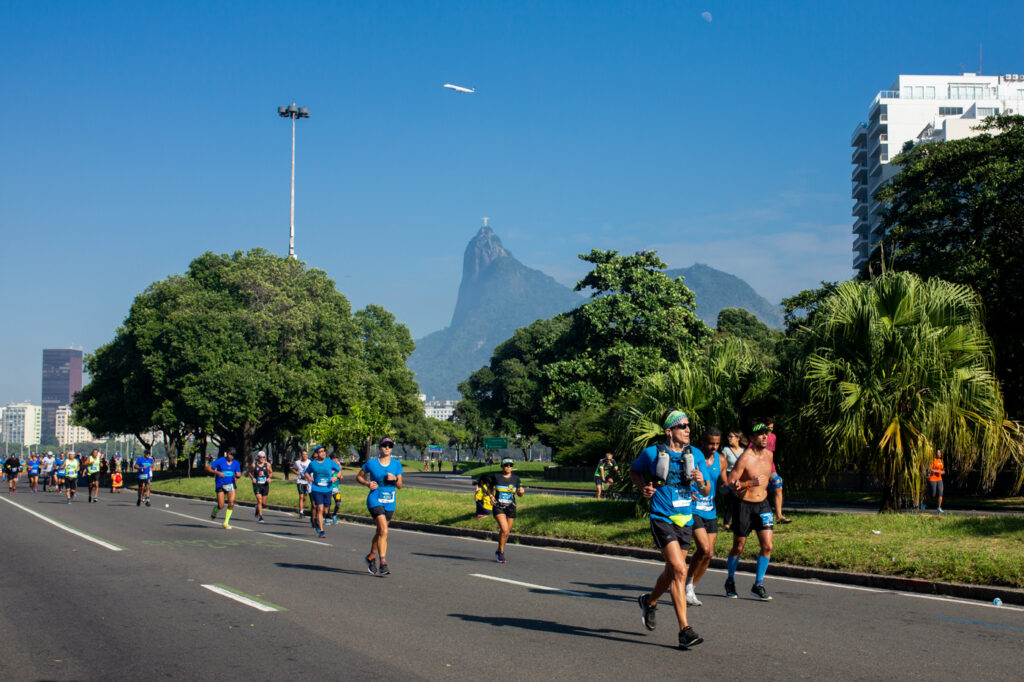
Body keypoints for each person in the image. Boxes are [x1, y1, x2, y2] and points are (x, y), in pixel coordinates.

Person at [630, 409, 705, 650]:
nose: (688, 430)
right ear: (669, 430)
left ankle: (649, 602)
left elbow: (705, 491)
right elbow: (634, 471)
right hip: (661, 516)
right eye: (682, 426)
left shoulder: (696, 454)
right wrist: (644, 488)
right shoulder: (652, 453)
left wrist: (702, 482)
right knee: (680, 570)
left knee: (672, 572)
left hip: (685, 518)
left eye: (688, 426)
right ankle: (685, 630)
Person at [725, 422, 776, 601]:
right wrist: (749, 484)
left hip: (763, 504)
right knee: (738, 547)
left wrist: (775, 479)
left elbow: (770, 474)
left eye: (766, 434)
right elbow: (730, 484)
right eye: (760, 434)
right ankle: (730, 580)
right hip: (744, 505)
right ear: (752, 438)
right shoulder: (745, 458)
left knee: (767, 546)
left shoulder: (769, 455)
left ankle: (758, 584)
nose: (764, 437)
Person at [685, 427, 724, 607]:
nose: (714, 447)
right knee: (704, 548)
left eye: (716, 443)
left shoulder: (720, 459)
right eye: (710, 443)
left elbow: (723, 482)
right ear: (703, 442)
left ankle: (690, 586)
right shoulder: (692, 455)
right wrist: (686, 493)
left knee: (709, 554)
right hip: (694, 508)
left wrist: (736, 485)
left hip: (710, 509)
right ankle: (686, 586)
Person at [357, 437, 403, 576]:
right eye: (384, 445)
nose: (387, 448)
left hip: (390, 501)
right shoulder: (371, 463)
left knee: (380, 532)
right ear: (380, 447)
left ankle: (371, 556)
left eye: (390, 446)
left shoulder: (396, 464)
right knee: (384, 530)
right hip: (375, 499)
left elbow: (400, 485)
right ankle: (383, 563)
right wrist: (367, 483)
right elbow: (359, 477)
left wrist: (395, 479)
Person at [488, 458, 525, 564]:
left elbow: (519, 493)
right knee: (504, 529)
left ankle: (499, 550)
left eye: (510, 465)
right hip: (498, 506)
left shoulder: (516, 479)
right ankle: (501, 552)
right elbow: (489, 488)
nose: (508, 467)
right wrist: (491, 496)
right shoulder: (496, 477)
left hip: (511, 506)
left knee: (507, 532)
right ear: (502, 466)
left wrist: (521, 491)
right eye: (506, 465)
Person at [304, 445, 341, 538]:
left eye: (324, 451)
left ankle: (317, 520)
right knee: (320, 508)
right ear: (316, 453)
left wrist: (335, 477)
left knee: (325, 511)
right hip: (317, 489)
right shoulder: (313, 464)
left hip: (328, 489)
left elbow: (339, 470)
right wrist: (309, 477)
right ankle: (321, 531)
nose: (323, 452)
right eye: (320, 451)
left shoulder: (330, 462)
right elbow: (306, 472)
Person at [206, 447, 242, 529]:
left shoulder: (236, 463)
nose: (231, 456)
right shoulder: (220, 460)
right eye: (230, 454)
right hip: (221, 484)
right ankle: (215, 510)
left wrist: (238, 475)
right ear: (227, 453)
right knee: (221, 505)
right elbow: (208, 468)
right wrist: (217, 472)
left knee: (231, 503)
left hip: (231, 485)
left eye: (233, 455)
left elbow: (238, 473)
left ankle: (226, 522)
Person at [764, 419, 792, 523]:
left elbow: (771, 453)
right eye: (768, 427)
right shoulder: (758, 437)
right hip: (759, 467)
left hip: (770, 466)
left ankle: (779, 515)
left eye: (772, 427)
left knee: (778, 485)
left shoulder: (773, 437)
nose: (770, 430)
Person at [720, 430, 745, 530]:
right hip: (729, 475)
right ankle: (727, 523)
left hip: (741, 476)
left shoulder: (745, 450)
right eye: (728, 436)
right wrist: (724, 480)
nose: (729, 438)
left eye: (731, 437)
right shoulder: (726, 450)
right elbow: (723, 466)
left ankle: (735, 522)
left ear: (738, 438)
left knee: (738, 499)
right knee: (733, 497)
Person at [249, 450, 273, 523]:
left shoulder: (268, 465)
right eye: (261, 457)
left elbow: (271, 472)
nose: (262, 459)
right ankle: (261, 517)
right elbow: (250, 472)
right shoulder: (254, 465)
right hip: (257, 484)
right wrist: (252, 478)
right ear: (258, 458)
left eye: (264, 457)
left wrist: (269, 478)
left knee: (263, 503)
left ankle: (257, 508)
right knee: (259, 499)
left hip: (265, 485)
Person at [292, 450, 311, 518]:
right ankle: (301, 512)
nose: (304, 455)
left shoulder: (309, 462)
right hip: (300, 481)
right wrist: (297, 473)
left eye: (306, 454)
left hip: (307, 482)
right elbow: (293, 469)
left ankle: (302, 510)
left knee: (305, 498)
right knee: (301, 496)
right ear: (301, 455)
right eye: (303, 454)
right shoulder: (297, 462)